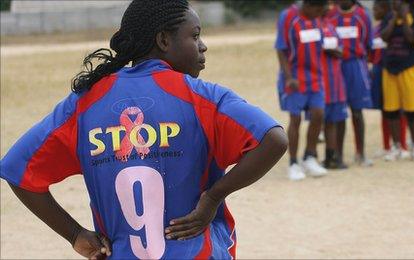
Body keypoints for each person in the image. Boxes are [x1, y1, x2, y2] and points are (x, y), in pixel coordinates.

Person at [0, 1, 288, 259]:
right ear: (163, 39)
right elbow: (273, 139)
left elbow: (17, 169)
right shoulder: (204, 97)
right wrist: (213, 197)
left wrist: (75, 235)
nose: (203, 46)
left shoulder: (84, 104)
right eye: (195, 35)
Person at [275, 0, 329, 180]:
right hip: (295, 79)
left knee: (318, 114)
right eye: (319, 10)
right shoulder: (288, 16)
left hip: (315, 78)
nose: (320, 14)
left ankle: (310, 157)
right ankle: (293, 163)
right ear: (309, 6)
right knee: (296, 118)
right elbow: (281, 49)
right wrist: (289, 76)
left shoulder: (317, 18)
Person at [326, 0, 374, 167]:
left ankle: (360, 153)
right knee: (339, 113)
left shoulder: (362, 15)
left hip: (355, 66)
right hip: (335, 67)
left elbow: (369, 44)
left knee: (357, 112)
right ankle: (337, 155)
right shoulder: (331, 15)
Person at [380, 0, 414, 162]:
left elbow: (411, 38)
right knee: (391, 110)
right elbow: (384, 37)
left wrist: (405, 19)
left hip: (409, 68)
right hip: (390, 69)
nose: (395, 4)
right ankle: (396, 146)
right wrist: (394, 20)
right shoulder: (388, 17)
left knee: (411, 110)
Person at [371, 0, 410, 161]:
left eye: (376, 8)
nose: (373, 12)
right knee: (385, 109)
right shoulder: (380, 25)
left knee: (397, 109)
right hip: (379, 69)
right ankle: (388, 146)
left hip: (391, 68)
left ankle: (402, 145)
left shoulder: (394, 20)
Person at [320, 9, 349, 169]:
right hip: (321, 81)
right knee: (321, 120)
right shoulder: (315, 26)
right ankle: (311, 157)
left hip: (335, 81)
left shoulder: (330, 26)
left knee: (333, 120)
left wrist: (334, 51)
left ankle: (332, 157)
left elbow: (340, 50)